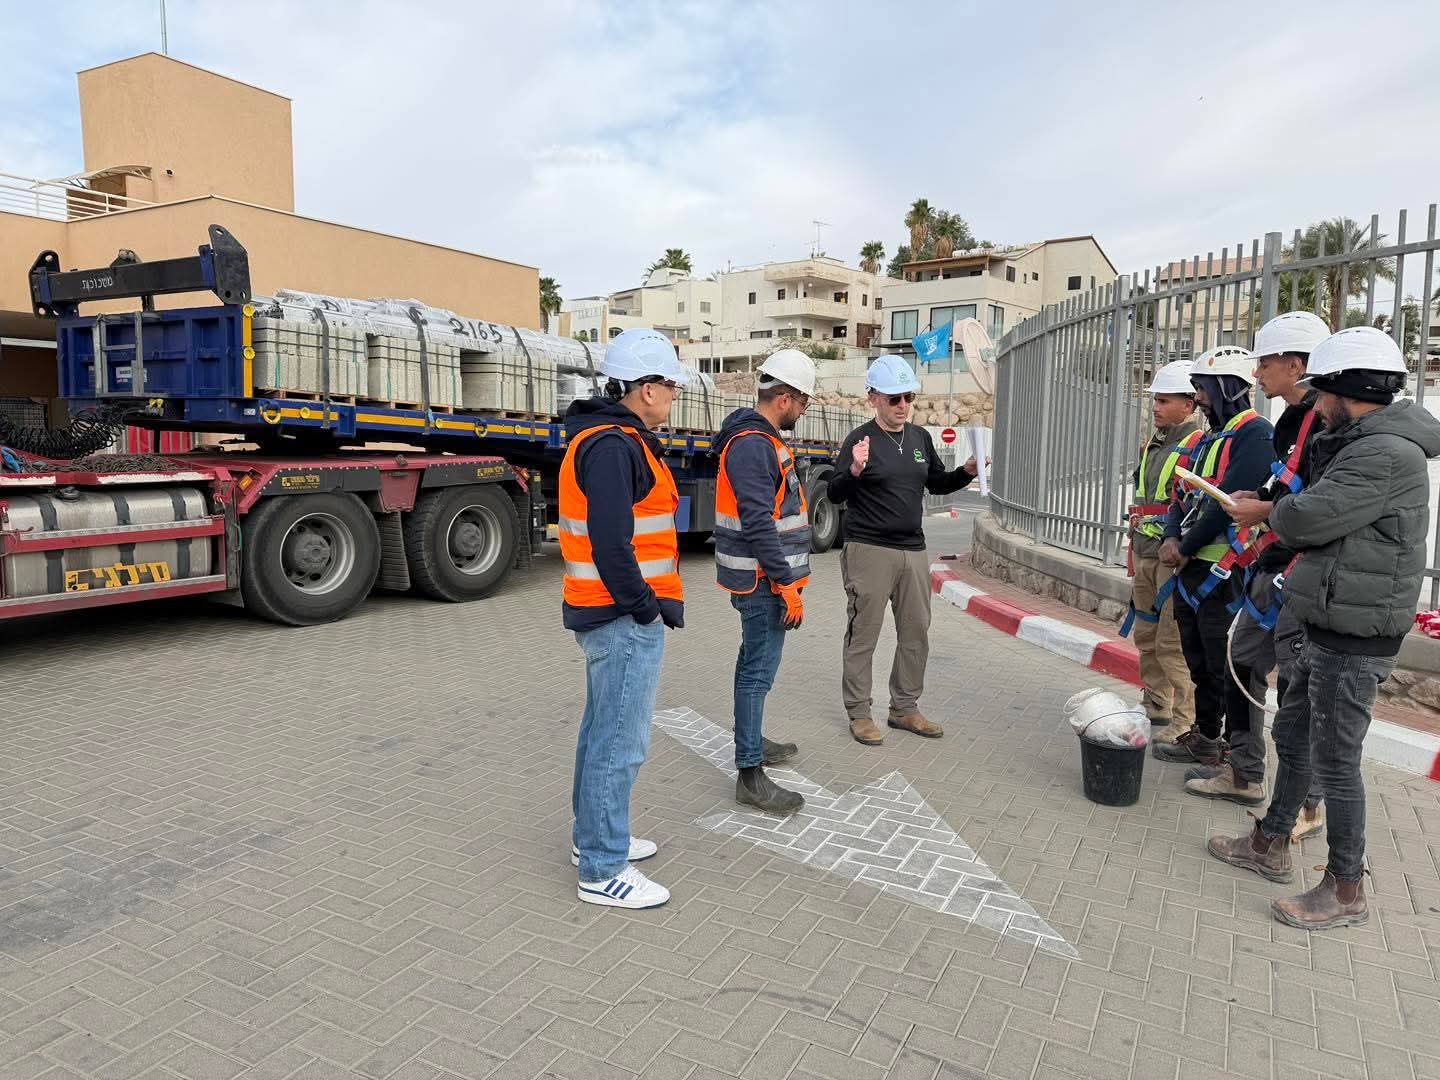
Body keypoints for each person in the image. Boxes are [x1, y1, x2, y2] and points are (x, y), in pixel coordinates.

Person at [1208, 326, 1440, 930]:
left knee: (1336, 760)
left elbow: (1311, 516)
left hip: (1354, 633)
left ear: (1348, 389)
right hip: (1326, 617)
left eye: (1323, 390)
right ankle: (1270, 841)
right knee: (1294, 736)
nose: (1317, 402)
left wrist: (1266, 511)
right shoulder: (1358, 442)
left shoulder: (1384, 453)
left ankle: (1345, 888)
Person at [559, 328, 688, 909]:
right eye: (670, 385)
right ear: (646, 388)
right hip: (621, 617)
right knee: (619, 741)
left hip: (607, 613)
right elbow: (612, 544)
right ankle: (602, 867)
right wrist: (644, 607)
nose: (674, 395)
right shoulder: (614, 446)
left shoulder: (608, 439)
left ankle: (593, 838)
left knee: (601, 732)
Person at [1186, 312, 1330, 818]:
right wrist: (1260, 498)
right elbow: (1287, 482)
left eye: (1265, 362)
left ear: (1296, 365)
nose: (1257, 372)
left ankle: (1306, 807)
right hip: (1273, 565)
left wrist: (1264, 510)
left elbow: (1323, 502)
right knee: (1242, 659)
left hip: (1304, 572)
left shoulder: (1329, 422)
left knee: (1296, 691)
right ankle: (1245, 773)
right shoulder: (1292, 421)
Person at [827, 354, 983, 745]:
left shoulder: (919, 438)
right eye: (894, 398)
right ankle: (859, 712)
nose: (903, 405)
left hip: (913, 550)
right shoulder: (859, 440)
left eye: (908, 397)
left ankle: (904, 708)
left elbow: (937, 482)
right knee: (864, 633)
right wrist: (855, 471)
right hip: (868, 549)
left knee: (916, 631)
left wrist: (966, 472)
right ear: (873, 398)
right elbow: (834, 493)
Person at [1153, 346, 1276, 768]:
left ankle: (1225, 746)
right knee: (1198, 660)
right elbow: (1181, 493)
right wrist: (1172, 537)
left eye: (1204, 388)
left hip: (1224, 571)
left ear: (1228, 387)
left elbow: (1227, 505)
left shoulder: (1255, 435)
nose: (1199, 397)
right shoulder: (1207, 440)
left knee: (1220, 663)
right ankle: (1206, 737)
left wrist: (1183, 548)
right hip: (1191, 568)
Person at [713, 349, 817, 815]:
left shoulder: (757, 440)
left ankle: (752, 739)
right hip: (762, 583)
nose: (804, 410)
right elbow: (758, 523)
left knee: (752, 663)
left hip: (760, 579)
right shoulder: (754, 445)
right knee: (758, 671)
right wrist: (785, 585)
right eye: (804, 402)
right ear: (785, 398)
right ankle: (750, 775)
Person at [1123, 359, 1202, 746]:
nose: (1155, 407)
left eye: (1164, 400)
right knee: (1146, 634)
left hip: (1173, 558)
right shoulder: (1153, 444)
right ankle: (1157, 703)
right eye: (1155, 399)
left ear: (1188, 404)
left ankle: (1185, 721)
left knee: (1172, 643)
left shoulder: (1197, 445)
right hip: (1144, 551)